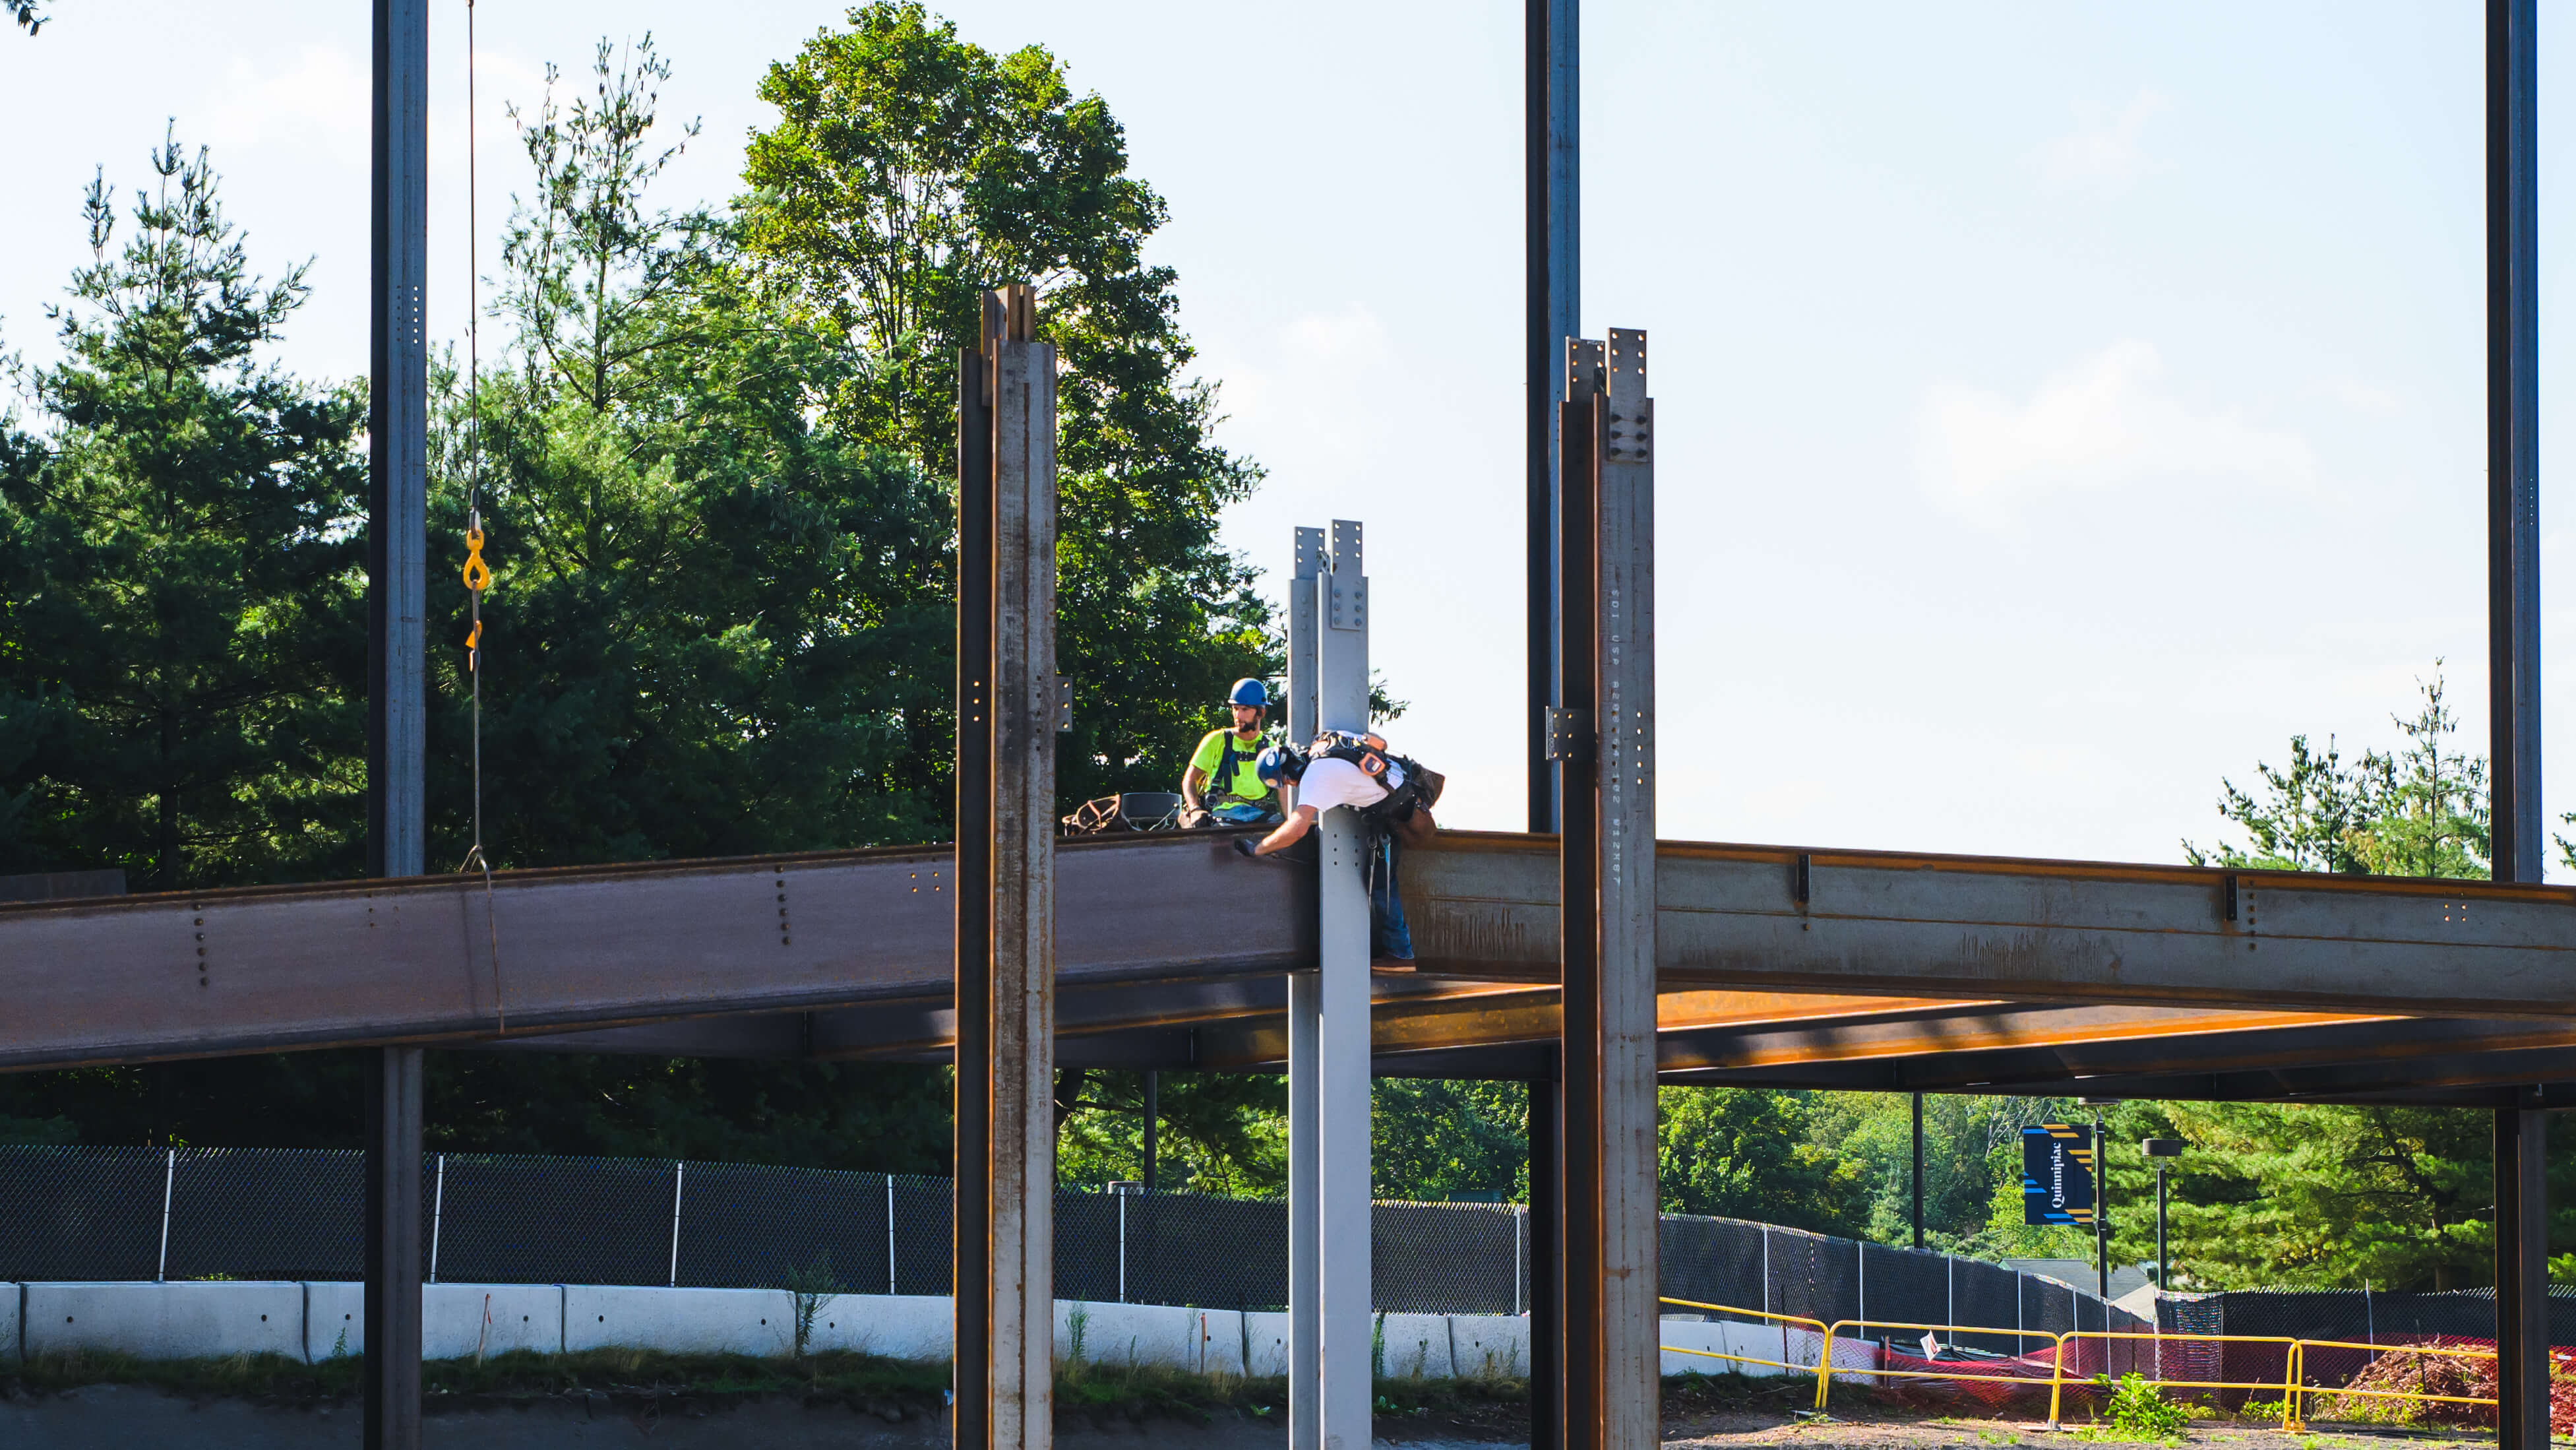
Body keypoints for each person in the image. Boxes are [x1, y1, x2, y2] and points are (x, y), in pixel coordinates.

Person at [1235, 733, 1440, 964]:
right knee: (1379, 879)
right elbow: (1380, 743)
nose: (1291, 784)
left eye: (1284, 780)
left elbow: (1297, 829)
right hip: (1409, 788)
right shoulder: (1324, 741)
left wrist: (1258, 849)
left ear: (1287, 768)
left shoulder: (1314, 776)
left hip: (1402, 811)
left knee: (1380, 884)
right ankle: (1396, 950)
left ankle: (1401, 954)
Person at [1180, 678, 1281, 827]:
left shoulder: (1271, 749)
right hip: (1222, 816)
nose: (1238, 715)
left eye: (1245, 709)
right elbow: (1190, 779)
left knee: (1282, 836)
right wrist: (1195, 809)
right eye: (1235, 708)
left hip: (1259, 815)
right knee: (1225, 842)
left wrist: (1291, 822)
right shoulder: (1217, 740)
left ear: (1261, 712)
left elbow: (1284, 791)